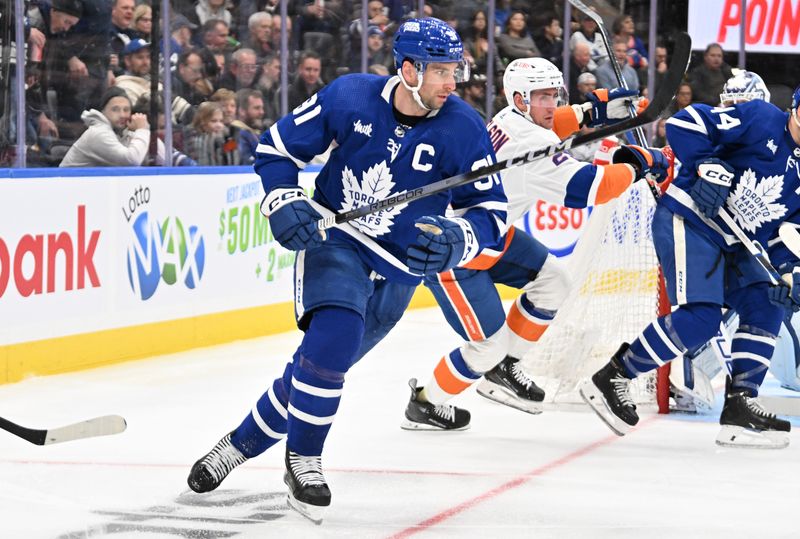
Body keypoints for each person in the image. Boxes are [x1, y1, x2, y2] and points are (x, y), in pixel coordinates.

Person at [186, 18, 508, 522]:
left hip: (402, 268)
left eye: (455, 70)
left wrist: (459, 240)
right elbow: (276, 147)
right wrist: (282, 197)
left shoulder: (464, 128)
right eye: (442, 71)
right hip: (338, 241)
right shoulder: (349, 97)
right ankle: (304, 462)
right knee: (333, 341)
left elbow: (492, 215)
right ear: (408, 69)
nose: (454, 82)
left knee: (316, 370)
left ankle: (238, 445)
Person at [402, 57, 665, 429]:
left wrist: (594, 110)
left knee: (554, 281)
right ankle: (426, 403)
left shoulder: (512, 117)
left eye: (554, 94)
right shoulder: (532, 142)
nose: (552, 104)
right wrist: (639, 164)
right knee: (487, 348)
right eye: (542, 96)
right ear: (521, 99)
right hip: (457, 254)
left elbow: (553, 124)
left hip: (491, 235)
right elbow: (590, 189)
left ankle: (506, 367)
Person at [579, 82, 800, 449]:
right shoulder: (761, 119)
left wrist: (790, 271)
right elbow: (687, 122)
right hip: (690, 219)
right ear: (795, 108)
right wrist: (705, 164)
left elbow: (784, 233)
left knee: (769, 301)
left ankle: (740, 405)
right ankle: (614, 375)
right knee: (701, 318)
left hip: (735, 243)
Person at [59, 86, 150, 167]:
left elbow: (159, 158)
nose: (122, 115)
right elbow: (131, 161)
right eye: (115, 109)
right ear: (102, 111)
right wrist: (142, 130)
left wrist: (138, 131)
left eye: (126, 110)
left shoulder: (123, 132)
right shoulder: (99, 133)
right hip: (67, 185)